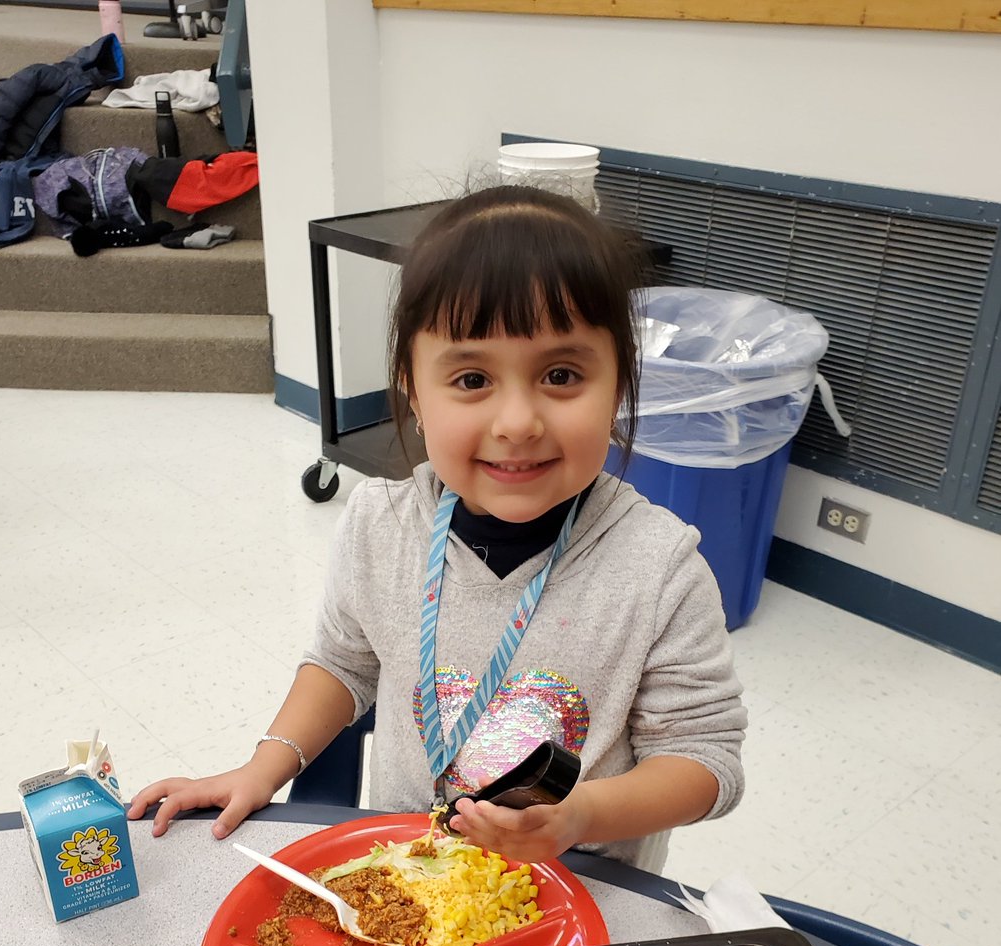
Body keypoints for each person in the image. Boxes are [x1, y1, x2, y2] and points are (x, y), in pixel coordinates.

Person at [128, 184, 747, 872]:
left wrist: (580, 816)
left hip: (579, 898)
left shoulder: (658, 566)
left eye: (562, 374)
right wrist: (261, 768)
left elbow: (704, 759)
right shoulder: (379, 526)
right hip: (409, 877)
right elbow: (343, 664)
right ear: (412, 389)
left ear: (619, 386)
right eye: (472, 379)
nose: (517, 422)